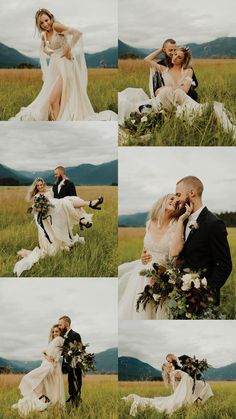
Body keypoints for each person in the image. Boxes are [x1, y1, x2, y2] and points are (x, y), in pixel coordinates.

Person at [10, 9, 117, 122]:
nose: (45, 24)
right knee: (57, 100)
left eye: (46, 20)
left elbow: (77, 33)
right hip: (55, 66)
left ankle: (60, 124)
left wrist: (68, 49)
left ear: (51, 18)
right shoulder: (44, 34)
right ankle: (59, 124)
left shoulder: (56, 26)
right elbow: (42, 48)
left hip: (66, 65)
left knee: (52, 99)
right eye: (41, 23)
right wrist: (50, 53)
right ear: (39, 25)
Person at [142, 176, 232, 305]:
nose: (177, 199)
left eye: (178, 194)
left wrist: (206, 293)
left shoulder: (214, 223)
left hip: (201, 300)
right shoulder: (180, 219)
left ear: (192, 193)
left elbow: (224, 266)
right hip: (177, 295)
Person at [118, 47, 236, 139]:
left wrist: (167, 87)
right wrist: (161, 49)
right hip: (166, 97)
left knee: (209, 108)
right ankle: (156, 116)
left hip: (181, 100)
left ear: (183, 60)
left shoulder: (188, 71)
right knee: (154, 100)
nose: (174, 58)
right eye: (174, 54)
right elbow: (147, 60)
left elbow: (184, 90)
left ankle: (166, 116)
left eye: (179, 57)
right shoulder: (165, 69)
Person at [118, 194, 191, 320]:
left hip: (162, 275)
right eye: (172, 198)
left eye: (178, 203)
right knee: (138, 309)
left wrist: (180, 221)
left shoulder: (177, 224)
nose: (175, 202)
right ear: (162, 201)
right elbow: (146, 248)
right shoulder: (149, 223)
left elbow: (175, 251)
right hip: (142, 274)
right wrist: (142, 256)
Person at [13, 177, 104, 276]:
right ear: (36, 187)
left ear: (44, 184)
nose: (40, 187)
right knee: (66, 202)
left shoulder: (50, 191)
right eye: (38, 185)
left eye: (41, 185)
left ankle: (85, 213)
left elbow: (57, 196)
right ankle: (86, 212)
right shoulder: (37, 196)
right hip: (48, 216)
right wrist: (40, 208)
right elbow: (37, 209)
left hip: (56, 212)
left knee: (71, 200)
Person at [122, 355, 213, 416]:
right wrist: (192, 370)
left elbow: (182, 380)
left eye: (169, 362)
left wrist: (192, 370)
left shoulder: (174, 373)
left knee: (205, 386)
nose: (170, 364)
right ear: (166, 368)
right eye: (168, 363)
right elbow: (183, 378)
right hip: (183, 393)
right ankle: (198, 403)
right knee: (206, 386)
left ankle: (198, 402)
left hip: (185, 390)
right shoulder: (175, 373)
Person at [12, 325, 65, 415]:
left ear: (60, 332)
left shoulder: (59, 339)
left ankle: (44, 399)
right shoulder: (56, 341)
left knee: (28, 378)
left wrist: (45, 354)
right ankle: (45, 401)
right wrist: (46, 354)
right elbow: (52, 356)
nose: (54, 333)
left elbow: (53, 358)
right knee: (46, 386)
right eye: (53, 331)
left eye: (56, 331)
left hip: (49, 366)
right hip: (48, 365)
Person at [58, 315, 82, 407]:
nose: (59, 326)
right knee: (70, 386)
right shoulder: (61, 336)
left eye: (60, 324)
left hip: (75, 366)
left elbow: (80, 351)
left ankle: (76, 406)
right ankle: (73, 403)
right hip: (68, 366)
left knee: (76, 386)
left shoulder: (75, 335)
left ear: (67, 323)